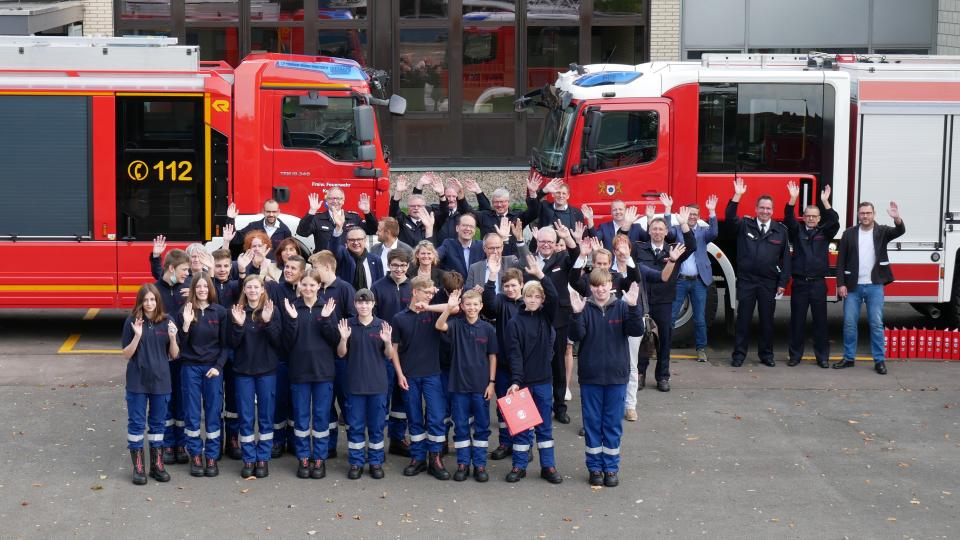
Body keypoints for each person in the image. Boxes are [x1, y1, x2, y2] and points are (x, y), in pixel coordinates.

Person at [569, 272, 645, 487]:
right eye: (595, 286)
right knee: (592, 424)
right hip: (591, 378)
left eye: (603, 286)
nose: (600, 290)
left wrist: (633, 307)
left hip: (616, 378)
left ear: (610, 285)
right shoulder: (583, 307)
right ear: (590, 288)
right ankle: (594, 468)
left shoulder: (622, 307)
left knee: (612, 424)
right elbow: (576, 336)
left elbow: (636, 330)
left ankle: (611, 468)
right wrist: (576, 314)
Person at [504, 259, 564, 484]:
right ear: (523, 297)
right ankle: (519, 467)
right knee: (521, 429)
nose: (532, 300)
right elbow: (515, 355)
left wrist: (541, 275)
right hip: (524, 383)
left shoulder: (546, 316)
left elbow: (555, 297)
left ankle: (548, 466)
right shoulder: (515, 323)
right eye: (529, 296)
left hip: (543, 381)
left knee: (544, 428)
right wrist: (517, 381)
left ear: (541, 300)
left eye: (537, 297)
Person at [391, 276, 452, 480]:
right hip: (409, 376)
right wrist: (399, 374)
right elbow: (394, 350)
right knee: (414, 418)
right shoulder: (399, 318)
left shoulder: (434, 314)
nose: (430, 295)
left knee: (435, 417)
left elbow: (455, 307)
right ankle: (418, 458)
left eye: (431, 293)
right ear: (415, 292)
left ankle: (435, 458)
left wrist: (429, 306)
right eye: (427, 292)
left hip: (432, 375)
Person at [834, 201, 905, 374]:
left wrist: (897, 218)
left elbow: (900, 231)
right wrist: (841, 284)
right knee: (850, 324)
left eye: (868, 213)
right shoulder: (849, 234)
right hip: (852, 287)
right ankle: (849, 358)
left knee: (876, 324)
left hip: (875, 286)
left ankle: (879, 361)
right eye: (862, 213)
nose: (865, 216)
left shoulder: (882, 232)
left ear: (874, 214)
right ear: (858, 215)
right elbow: (840, 261)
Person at [726, 178, 791, 367]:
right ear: (756, 209)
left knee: (767, 322)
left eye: (768, 209)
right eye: (762, 208)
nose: (765, 211)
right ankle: (739, 355)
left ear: (773, 210)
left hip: (768, 282)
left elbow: (786, 259)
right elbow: (730, 218)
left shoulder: (780, 231)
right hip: (747, 281)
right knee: (743, 320)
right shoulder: (745, 225)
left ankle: (766, 355)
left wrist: (782, 282)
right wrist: (737, 196)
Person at [281, 272, 340, 479]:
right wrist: (293, 320)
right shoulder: (292, 308)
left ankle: (319, 458)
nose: (307, 288)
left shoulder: (327, 307)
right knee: (301, 417)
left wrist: (325, 319)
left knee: (322, 417)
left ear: (318, 286)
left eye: (311, 285)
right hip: (299, 371)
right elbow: (286, 343)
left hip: (323, 371)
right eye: (304, 285)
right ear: (299, 285)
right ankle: (304, 457)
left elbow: (334, 339)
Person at [435, 289, 498, 482]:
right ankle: (463, 463)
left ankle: (479, 464)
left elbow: (492, 356)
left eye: (475, 304)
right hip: (458, 386)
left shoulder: (488, 329)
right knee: (461, 425)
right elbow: (439, 325)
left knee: (481, 426)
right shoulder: (455, 325)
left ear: (481, 306)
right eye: (467, 304)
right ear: (462, 306)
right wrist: (449, 307)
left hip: (481, 387)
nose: (471, 308)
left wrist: (492, 383)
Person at [337, 289, 401, 480]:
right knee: (355, 426)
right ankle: (356, 463)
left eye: (367, 303)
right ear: (355, 304)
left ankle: (375, 462)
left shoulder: (382, 325)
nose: (363, 306)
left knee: (376, 426)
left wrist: (388, 342)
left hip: (377, 385)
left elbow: (389, 355)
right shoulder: (347, 324)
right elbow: (341, 354)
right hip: (355, 385)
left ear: (373, 304)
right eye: (360, 302)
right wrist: (343, 338)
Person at [633, 208, 697, 392]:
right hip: (643, 302)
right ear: (649, 231)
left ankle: (662, 377)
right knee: (644, 339)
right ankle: (640, 375)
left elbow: (692, 245)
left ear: (666, 231)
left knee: (665, 340)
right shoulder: (639, 248)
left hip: (664, 302)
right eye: (654, 229)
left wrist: (684, 225)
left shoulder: (674, 250)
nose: (658, 232)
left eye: (661, 229)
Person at [122, 283, 179, 485]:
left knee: (158, 424)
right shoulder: (132, 321)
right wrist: (137, 335)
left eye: (152, 299)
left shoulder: (167, 321)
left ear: (157, 301)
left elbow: (174, 354)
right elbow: (126, 354)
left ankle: (157, 465)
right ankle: (139, 467)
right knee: (137, 424)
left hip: (161, 382)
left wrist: (173, 338)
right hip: (137, 382)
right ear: (140, 301)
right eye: (145, 300)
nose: (149, 303)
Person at [229, 275, 282, 478]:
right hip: (243, 373)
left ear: (262, 290)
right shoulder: (237, 311)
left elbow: (278, 341)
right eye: (248, 287)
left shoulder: (271, 310)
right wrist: (239, 325)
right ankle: (249, 459)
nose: (252, 290)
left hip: (266, 372)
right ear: (244, 289)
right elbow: (232, 343)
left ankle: (263, 458)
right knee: (246, 417)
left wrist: (268, 322)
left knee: (266, 418)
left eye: (256, 287)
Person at [177, 273, 229, 478]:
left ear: (210, 289)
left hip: (212, 369)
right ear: (193, 289)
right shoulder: (186, 310)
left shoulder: (220, 312)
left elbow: (226, 345)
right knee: (191, 413)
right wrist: (187, 324)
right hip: (190, 368)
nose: (201, 290)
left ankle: (211, 456)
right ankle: (196, 455)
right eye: (198, 287)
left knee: (213, 412)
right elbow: (179, 344)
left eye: (205, 287)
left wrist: (218, 366)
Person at [785, 182, 840, 368]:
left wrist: (825, 201)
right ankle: (795, 356)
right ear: (804, 217)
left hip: (818, 285)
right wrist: (792, 199)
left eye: (814, 216)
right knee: (797, 322)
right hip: (800, 284)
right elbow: (788, 217)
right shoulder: (796, 231)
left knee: (820, 323)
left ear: (818, 218)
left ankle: (822, 357)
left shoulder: (824, 232)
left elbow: (835, 221)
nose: (810, 219)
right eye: (807, 216)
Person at [531, 223, 581, 424]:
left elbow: (577, 256)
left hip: (559, 320)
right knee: (534, 364)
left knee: (558, 365)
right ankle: (535, 407)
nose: (546, 245)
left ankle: (559, 407)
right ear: (537, 242)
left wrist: (568, 238)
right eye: (542, 241)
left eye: (550, 242)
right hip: (535, 320)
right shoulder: (530, 260)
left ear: (555, 244)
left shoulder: (562, 259)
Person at [310, 250, 357, 459]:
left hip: (342, 356)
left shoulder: (345, 289)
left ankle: (355, 446)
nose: (313, 271)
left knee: (347, 401)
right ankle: (328, 446)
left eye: (315, 267)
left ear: (327, 267)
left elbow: (353, 318)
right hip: (322, 357)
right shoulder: (316, 290)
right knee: (326, 403)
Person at [370, 248, 415, 458]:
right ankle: (377, 441)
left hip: (407, 351)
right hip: (384, 352)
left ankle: (397, 439)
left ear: (408, 266)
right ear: (389, 265)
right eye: (395, 265)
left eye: (403, 265)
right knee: (382, 397)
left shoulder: (413, 287)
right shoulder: (378, 287)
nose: (398, 269)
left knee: (402, 398)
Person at [481, 264, 526, 462]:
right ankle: (505, 442)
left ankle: (523, 444)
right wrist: (492, 275)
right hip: (503, 363)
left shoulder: (529, 304)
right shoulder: (500, 302)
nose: (510, 289)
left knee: (522, 406)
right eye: (506, 285)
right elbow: (489, 304)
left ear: (522, 285)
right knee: (503, 405)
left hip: (525, 365)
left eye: (513, 285)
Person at [666, 195, 719, 363]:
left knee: (699, 318)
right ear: (685, 214)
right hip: (680, 280)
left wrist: (712, 212)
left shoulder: (703, 233)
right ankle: (664, 347)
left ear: (699, 216)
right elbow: (667, 232)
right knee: (672, 315)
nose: (692, 216)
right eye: (690, 213)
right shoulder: (676, 229)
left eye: (696, 214)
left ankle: (701, 349)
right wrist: (668, 210)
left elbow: (714, 232)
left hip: (698, 281)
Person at [153, 249, 190, 465]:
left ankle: (181, 444)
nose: (187, 274)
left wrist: (191, 297)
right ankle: (167, 444)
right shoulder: (155, 292)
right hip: (161, 357)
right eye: (184, 270)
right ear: (171, 269)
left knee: (182, 401)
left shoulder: (187, 289)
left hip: (184, 356)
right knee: (165, 401)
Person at [296, 189, 378, 254]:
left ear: (343, 201)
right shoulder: (317, 218)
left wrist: (367, 212)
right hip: (325, 263)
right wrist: (311, 211)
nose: (335, 201)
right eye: (331, 198)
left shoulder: (353, 218)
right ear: (326, 201)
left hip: (347, 263)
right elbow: (302, 232)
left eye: (338, 198)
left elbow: (372, 230)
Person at [476, 180, 542, 257]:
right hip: (489, 258)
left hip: (513, 259)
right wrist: (465, 196)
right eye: (496, 202)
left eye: (502, 202)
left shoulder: (518, 216)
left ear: (508, 202)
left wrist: (533, 194)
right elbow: (467, 212)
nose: (499, 205)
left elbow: (534, 213)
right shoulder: (484, 216)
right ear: (492, 203)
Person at [414, 176, 485, 244]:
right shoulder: (434, 210)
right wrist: (419, 186)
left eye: (454, 196)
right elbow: (417, 206)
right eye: (448, 196)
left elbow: (486, 213)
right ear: (443, 196)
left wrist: (478, 192)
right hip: (438, 251)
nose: (451, 199)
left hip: (459, 252)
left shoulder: (465, 211)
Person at [464, 221, 530, 290]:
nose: (495, 251)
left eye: (498, 248)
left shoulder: (510, 261)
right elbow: (468, 293)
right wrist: (474, 291)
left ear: (502, 247)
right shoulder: (474, 268)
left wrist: (520, 240)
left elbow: (526, 263)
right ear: (484, 248)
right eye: (491, 248)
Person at [390, 174, 449, 247]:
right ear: (408, 207)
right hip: (407, 257)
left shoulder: (432, 221)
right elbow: (393, 210)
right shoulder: (402, 221)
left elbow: (445, 212)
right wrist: (398, 192)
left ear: (425, 207)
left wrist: (441, 194)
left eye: (419, 206)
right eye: (412, 206)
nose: (416, 208)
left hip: (427, 257)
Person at [226, 199, 292, 259]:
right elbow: (235, 239)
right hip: (255, 267)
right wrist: (230, 219)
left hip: (274, 268)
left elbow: (289, 253)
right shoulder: (253, 226)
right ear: (263, 211)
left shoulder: (285, 231)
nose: (271, 214)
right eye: (268, 211)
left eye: (274, 212)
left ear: (278, 212)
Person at [329, 224, 385, 291]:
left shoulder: (375, 260)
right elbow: (334, 249)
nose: (355, 242)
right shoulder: (343, 256)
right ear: (347, 241)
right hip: (347, 300)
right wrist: (338, 229)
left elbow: (380, 284)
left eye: (359, 239)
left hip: (370, 300)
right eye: (352, 240)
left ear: (365, 240)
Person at [437, 213, 484, 278]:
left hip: (478, 287)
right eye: (464, 225)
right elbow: (433, 257)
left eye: (471, 226)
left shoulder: (482, 246)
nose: (468, 228)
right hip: (455, 287)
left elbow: (498, 257)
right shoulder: (448, 244)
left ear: (475, 230)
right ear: (457, 228)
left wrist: (503, 238)